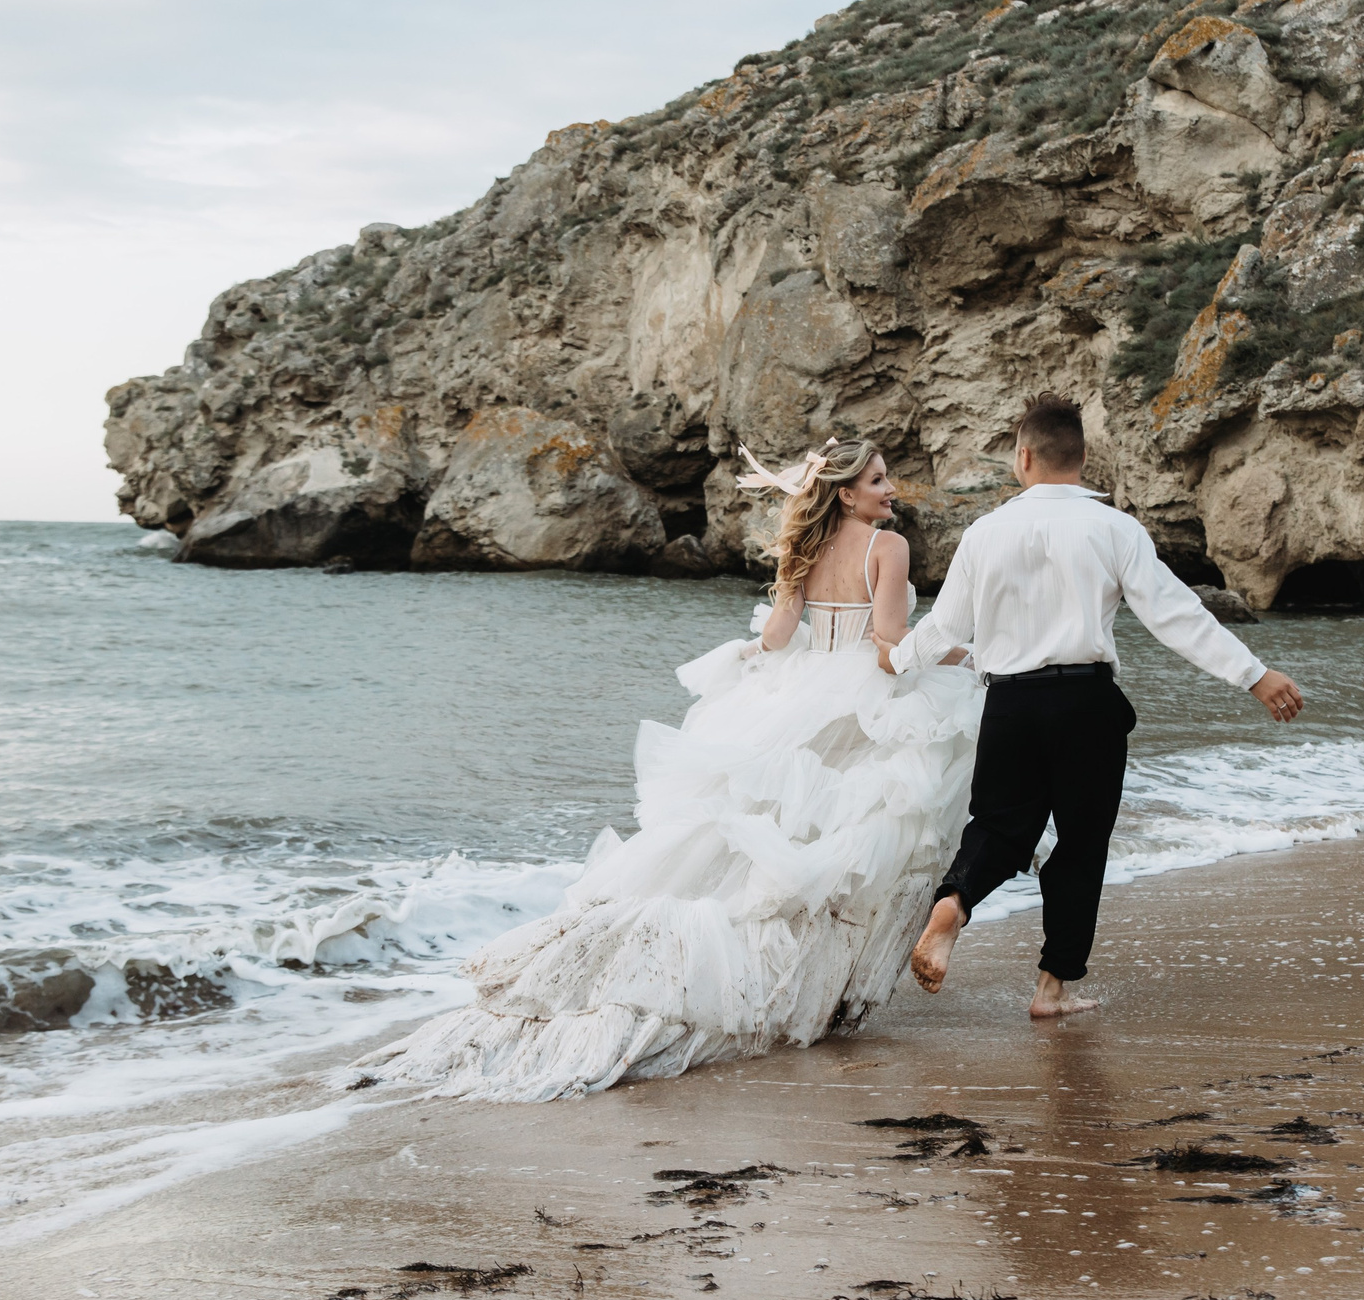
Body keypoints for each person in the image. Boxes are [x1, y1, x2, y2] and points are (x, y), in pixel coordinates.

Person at [351, 437, 981, 1100]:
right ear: (848, 491)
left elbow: (774, 638)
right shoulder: (888, 548)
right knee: (838, 849)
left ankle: (770, 980)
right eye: (879, 480)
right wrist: (957, 657)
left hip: (794, 690)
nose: (891, 488)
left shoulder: (809, 545)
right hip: (859, 697)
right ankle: (813, 989)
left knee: (759, 845)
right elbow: (886, 649)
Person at [882, 394, 1303, 1019]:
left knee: (999, 826)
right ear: (1082, 458)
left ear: (1023, 456)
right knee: (1081, 843)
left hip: (1009, 704)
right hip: (1085, 702)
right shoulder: (1115, 529)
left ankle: (955, 905)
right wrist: (1254, 675)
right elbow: (1176, 615)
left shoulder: (984, 532)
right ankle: (1052, 989)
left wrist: (892, 662)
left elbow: (944, 628)